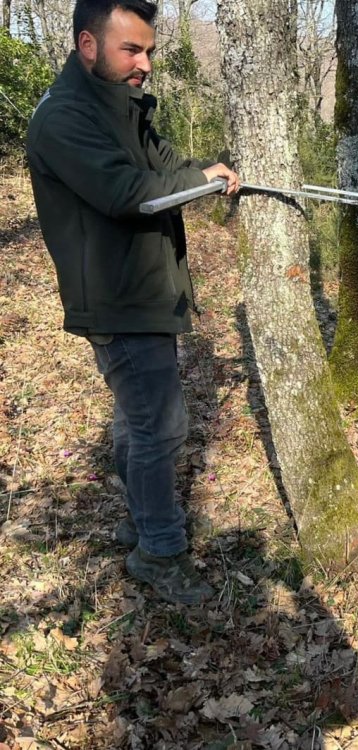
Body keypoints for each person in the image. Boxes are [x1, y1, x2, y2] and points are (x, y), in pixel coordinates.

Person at [26, 0, 239, 605]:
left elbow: (169, 167)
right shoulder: (64, 117)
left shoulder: (124, 107)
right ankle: (160, 551)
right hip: (116, 296)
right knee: (159, 426)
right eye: (131, 50)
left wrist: (207, 170)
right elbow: (125, 192)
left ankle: (141, 521)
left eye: (148, 50)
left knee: (134, 419)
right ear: (88, 45)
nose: (145, 63)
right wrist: (195, 182)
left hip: (144, 289)